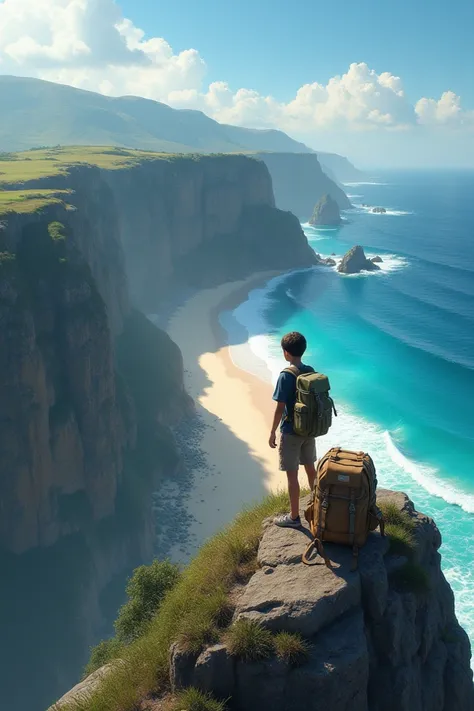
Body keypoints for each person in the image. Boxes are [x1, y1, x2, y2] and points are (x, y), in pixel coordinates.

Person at [269, 331, 317, 528]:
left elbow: (280, 408)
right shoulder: (310, 370)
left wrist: (272, 431)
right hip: (310, 429)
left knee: (292, 475)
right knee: (311, 469)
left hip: (291, 431)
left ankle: (294, 517)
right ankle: (318, 506)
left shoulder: (285, 376)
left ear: (286, 353)